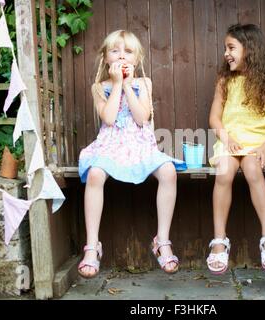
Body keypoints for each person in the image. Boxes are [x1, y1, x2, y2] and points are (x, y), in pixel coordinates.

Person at [77, 30, 183, 278]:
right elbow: (110, 118)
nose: (121, 56)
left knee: (168, 171)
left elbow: (142, 117)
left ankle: (162, 241)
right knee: (94, 174)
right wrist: (116, 85)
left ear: (136, 60)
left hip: (140, 145)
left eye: (128, 52)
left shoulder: (144, 83)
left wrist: (127, 84)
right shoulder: (98, 87)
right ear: (105, 58)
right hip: (110, 145)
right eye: (115, 50)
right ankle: (92, 246)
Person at [207, 23, 265, 274]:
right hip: (229, 144)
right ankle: (219, 241)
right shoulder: (225, 81)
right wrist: (226, 138)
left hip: (256, 145)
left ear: (249, 49)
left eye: (231, 47)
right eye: (224, 48)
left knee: (252, 168)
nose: (226, 53)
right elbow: (214, 119)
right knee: (224, 172)